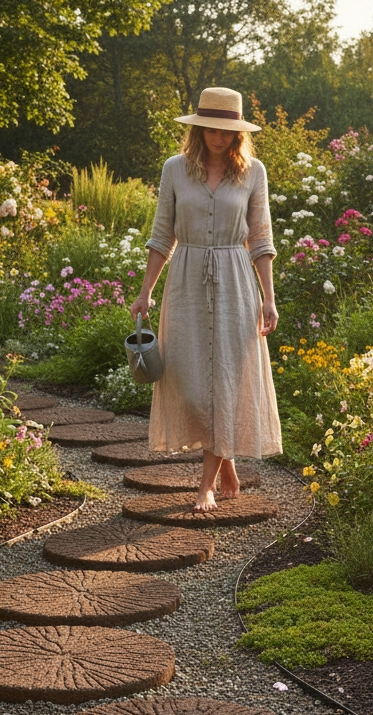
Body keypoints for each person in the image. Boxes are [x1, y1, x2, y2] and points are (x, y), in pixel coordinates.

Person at [128, 86, 283, 511]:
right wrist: (145, 292)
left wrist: (268, 298)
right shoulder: (174, 169)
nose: (218, 137)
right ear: (198, 130)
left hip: (236, 283)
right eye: (210, 129)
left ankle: (206, 485)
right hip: (186, 283)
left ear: (237, 133)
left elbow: (261, 239)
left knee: (227, 381)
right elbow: (162, 235)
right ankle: (226, 458)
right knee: (192, 384)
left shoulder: (253, 172)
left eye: (225, 130)